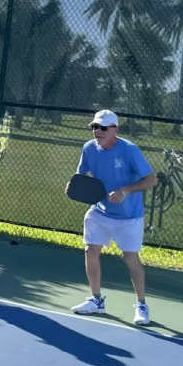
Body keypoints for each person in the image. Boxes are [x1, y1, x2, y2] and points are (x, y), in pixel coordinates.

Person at [69, 110, 158, 326]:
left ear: (115, 130)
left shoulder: (129, 150)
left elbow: (151, 179)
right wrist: (73, 186)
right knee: (91, 250)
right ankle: (96, 300)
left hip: (129, 215)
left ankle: (141, 305)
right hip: (100, 210)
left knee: (130, 258)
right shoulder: (89, 148)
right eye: (94, 127)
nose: (97, 131)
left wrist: (125, 190)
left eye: (102, 128)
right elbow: (81, 176)